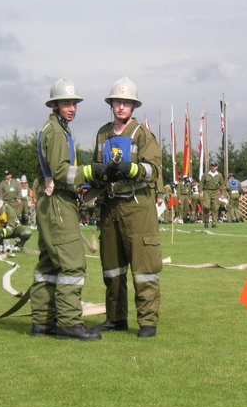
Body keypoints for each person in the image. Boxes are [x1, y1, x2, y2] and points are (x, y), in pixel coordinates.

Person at [31, 77, 106, 341]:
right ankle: (69, 323)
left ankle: (42, 321)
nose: (72, 107)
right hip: (58, 201)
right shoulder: (56, 132)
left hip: (52, 201)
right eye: (66, 103)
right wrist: (92, 172)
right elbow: (62, 173)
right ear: (55, 105)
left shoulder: (57, 129)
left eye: (74, 103)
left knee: (49, 264)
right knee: (72, 264)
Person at [91, 76, 163, 338]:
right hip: (110, 207)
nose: (121, 107)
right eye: (117, 102)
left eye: (126, 103)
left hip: (137, 207)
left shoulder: (142, 134)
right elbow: (96, 165)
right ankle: (115, 318)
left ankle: (147, 322)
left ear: (133, 107)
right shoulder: (102, 133)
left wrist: (130, 168)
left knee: (144, 269)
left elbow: (154, 170)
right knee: (112, 269)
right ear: (111, 104)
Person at [199, 162, 225, 228]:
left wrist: (222, 193)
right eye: (212, 166)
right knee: (206, 206)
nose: (213, 167)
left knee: (215, 208)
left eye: (214, 166)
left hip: (216, 192)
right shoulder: (206, 174)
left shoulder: (219, 175)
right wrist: (200, 192)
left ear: (216, 167)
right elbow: (201, 184)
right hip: (207, 191)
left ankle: (214, 223)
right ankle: (206, 221)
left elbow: (222, 185)